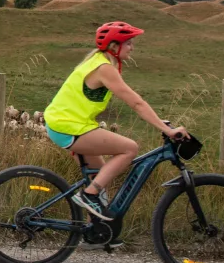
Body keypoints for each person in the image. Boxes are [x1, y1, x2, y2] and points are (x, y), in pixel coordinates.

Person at [43, 21, 188, 245]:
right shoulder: (104, 68)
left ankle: (98, 233)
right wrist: (166, 130)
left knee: (101, 173)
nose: (132, 47)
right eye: (128, 43)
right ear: (113, 46)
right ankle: (88, 196)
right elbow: (136, 103)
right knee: (130, 148)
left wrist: (162, 124)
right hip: (67, 126)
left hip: (71, 124)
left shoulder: (101, 62)